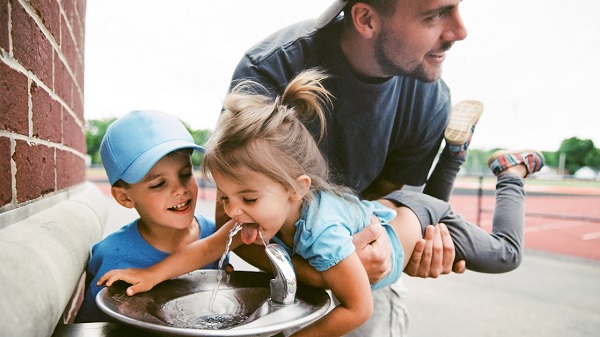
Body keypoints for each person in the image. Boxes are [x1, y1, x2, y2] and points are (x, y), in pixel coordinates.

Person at [98, 71, 544, 337]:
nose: (232, 211)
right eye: (226, 196)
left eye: (248, 198)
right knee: (426, 199)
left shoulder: (322, 235)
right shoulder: (259, 209)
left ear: (297, 188)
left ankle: (509, 174)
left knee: (505, 253)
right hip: (388, 210)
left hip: (409, 223)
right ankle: (455, 149)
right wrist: (151, 274)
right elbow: (210, 246)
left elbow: (357, 307)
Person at [225, 0, 476, 334]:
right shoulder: (272, 67)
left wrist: (392, 249)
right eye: (435, 15)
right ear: (366, 19)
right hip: (282, 256)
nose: (460, 31)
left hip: (357, 241)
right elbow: (230, 218)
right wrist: (320, 273)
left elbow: (390, 200)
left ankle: (456, 154)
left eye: (458, 8)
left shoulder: (429, 98)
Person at [74, 110, 222, 323]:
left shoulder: (214, 234)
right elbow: (93, 328)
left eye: (185, 174)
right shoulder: (111, 258)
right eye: (159, 184)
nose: (180, 189)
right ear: (124, 198)